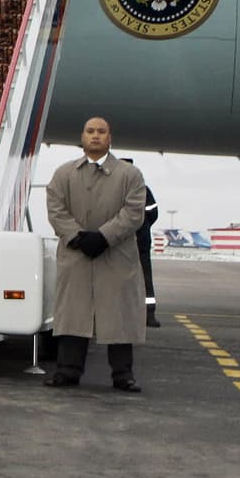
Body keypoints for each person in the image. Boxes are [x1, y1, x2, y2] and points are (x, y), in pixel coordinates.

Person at [44, 117, 147, 392]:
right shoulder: (63, 174)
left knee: (118, 316)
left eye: (101, 131)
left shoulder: (130, 175)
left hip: (114, 256)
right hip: (76, 256)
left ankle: (123, 375)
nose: (96, 136)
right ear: (83, 136)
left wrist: (104, 237)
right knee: (72, 315)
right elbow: (55, 208)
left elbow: (134, 212)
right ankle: (67, 371)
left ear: (110, 137)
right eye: (90, 131)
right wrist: (77, 237)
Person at [120, 158, 162, 328]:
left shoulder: (112, 189)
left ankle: (120, 315)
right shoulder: (143, 190)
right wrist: (143, 227)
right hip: (140, 241)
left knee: (117, 279)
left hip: (120, 243)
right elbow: (153, 213)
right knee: (144, 279)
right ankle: (148, 315)